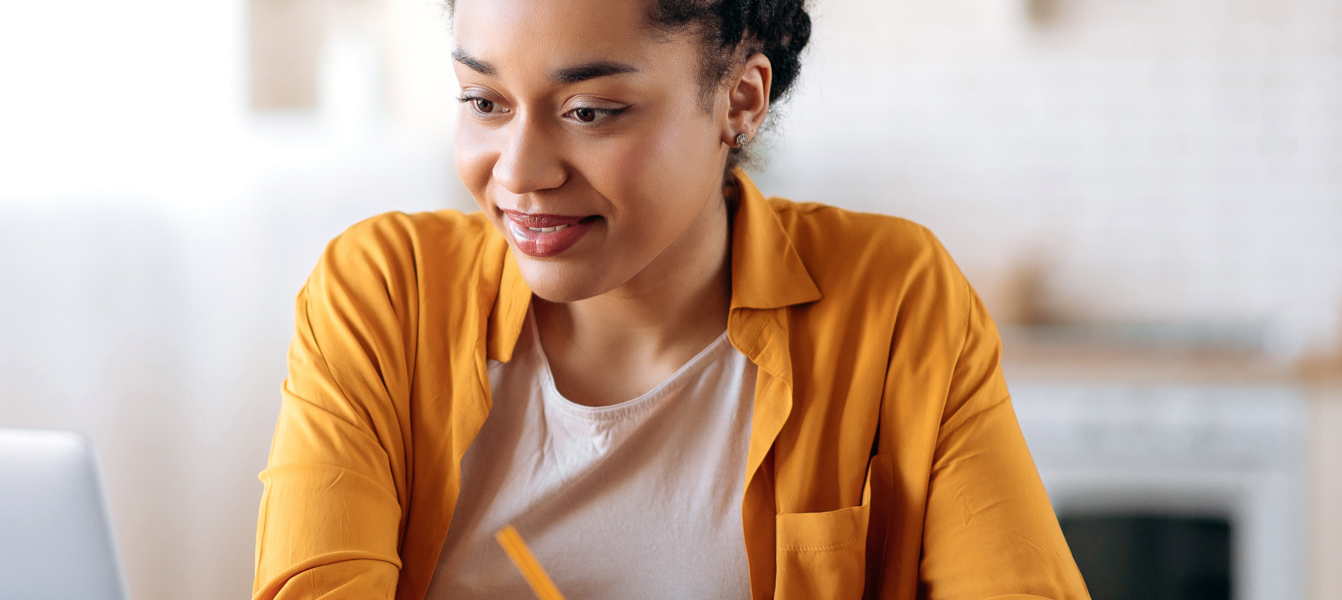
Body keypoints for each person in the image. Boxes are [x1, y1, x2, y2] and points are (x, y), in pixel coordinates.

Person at [254, 0, 1091, 597]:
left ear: (740, 100)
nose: (516, 173)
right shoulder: (382, 295)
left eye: (590, 111)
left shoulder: (893, 300)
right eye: (484, 102)